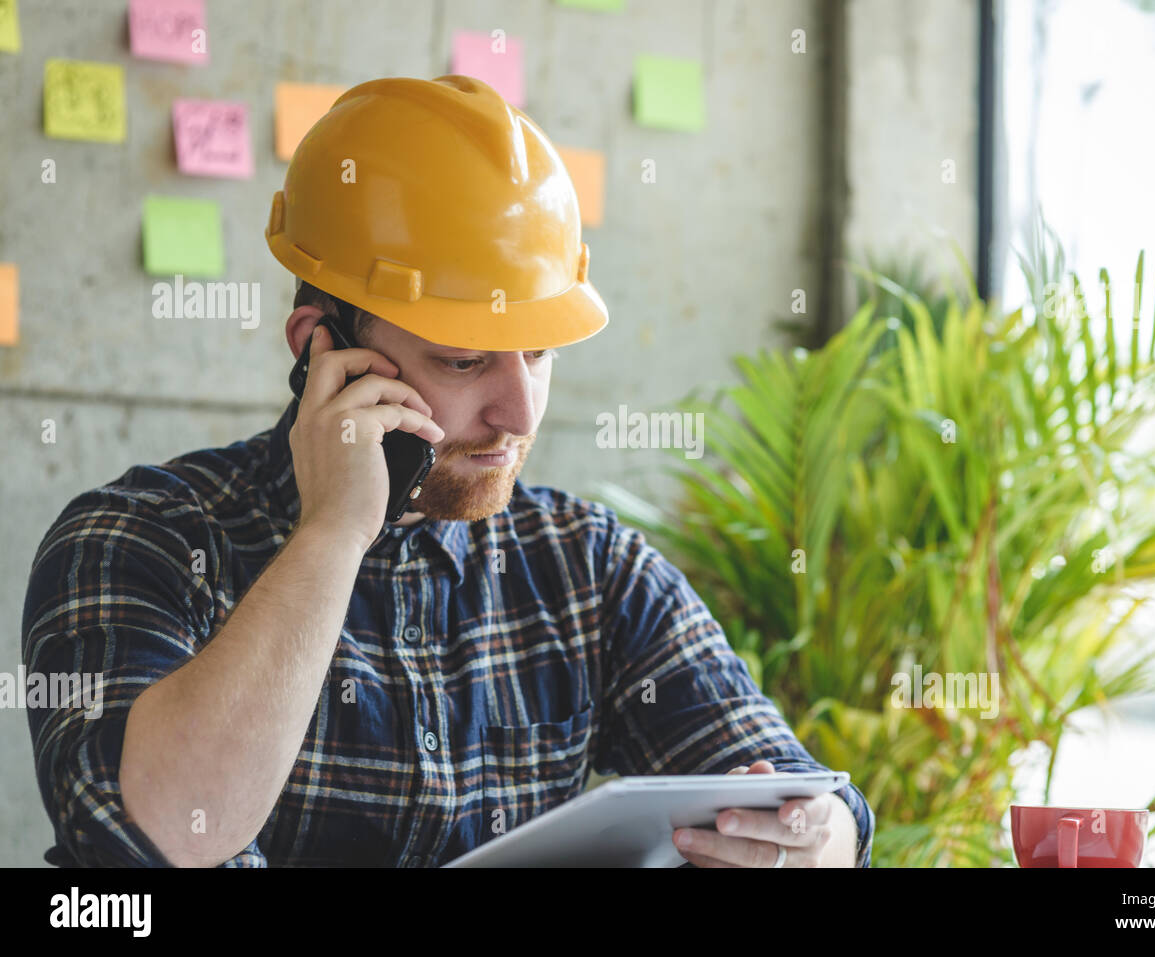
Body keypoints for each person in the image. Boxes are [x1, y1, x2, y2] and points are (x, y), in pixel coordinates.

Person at [21, 74, 873, 868]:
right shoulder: (141, 537)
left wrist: (816, 838)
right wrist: (333, 534)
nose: (521, 412)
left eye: (537, 353)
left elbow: (797, 796)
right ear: (322, 348)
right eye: (465, 362)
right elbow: (149, 837)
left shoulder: (587, 566)